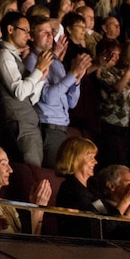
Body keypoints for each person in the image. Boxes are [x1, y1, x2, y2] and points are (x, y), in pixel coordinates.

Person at [26, 15, 90, 167]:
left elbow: (71, 103)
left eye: (51, 32)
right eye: (44, 32)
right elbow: (47, 97)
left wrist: (77, 80)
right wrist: (72, 74)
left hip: (63, 127)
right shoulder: (32, 61)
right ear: (32, 37)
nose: (50, 36)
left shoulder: (56, 62)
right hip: (48, 127)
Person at [0, 12, 45, 166]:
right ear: (10, 29)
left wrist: (41, 78)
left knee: (34, 170)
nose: (28, 35)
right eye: (25, 30)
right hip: (19, 125)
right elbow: (19, 92)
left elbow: (31, 99)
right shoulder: (3, 55)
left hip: (29, 124)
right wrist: (38, 70)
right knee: (28, 171)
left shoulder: (15, 57)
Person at [53, 136, 101, 238]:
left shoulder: (92, 189)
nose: (95, 162)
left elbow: (106, 216)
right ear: (75, 159)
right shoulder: (70, 190)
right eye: (90, 157)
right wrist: (126, 201)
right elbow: (98, 227)